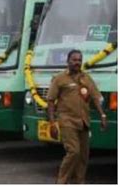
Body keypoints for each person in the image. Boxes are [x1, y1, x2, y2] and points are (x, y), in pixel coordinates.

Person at [47, 49, 107, 184]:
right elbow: (50, 101)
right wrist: (52, 123)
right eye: (74, 60)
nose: (77, 62)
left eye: (79, 60)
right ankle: (61, 181)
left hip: (84, 121)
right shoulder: (59, 78)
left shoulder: (86, 78)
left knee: (83, 156)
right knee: (74, 151)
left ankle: (79, 182)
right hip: (67, 120)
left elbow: (95, 98)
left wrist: (102, 115)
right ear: (68, 61)